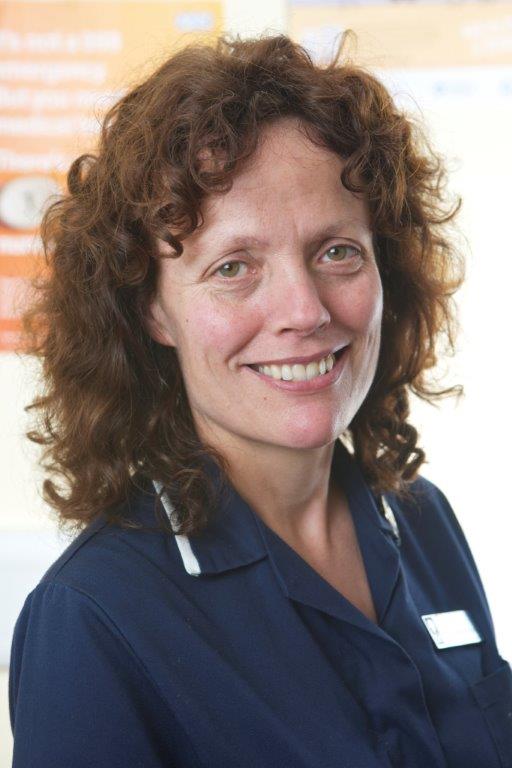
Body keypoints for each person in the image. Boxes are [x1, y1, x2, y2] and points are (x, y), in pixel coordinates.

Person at [8, 32, 512, 768]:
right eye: (234, 267)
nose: (304, 310)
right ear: (151, 310)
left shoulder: (421, 519)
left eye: (337, 251)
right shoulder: (95, 617)